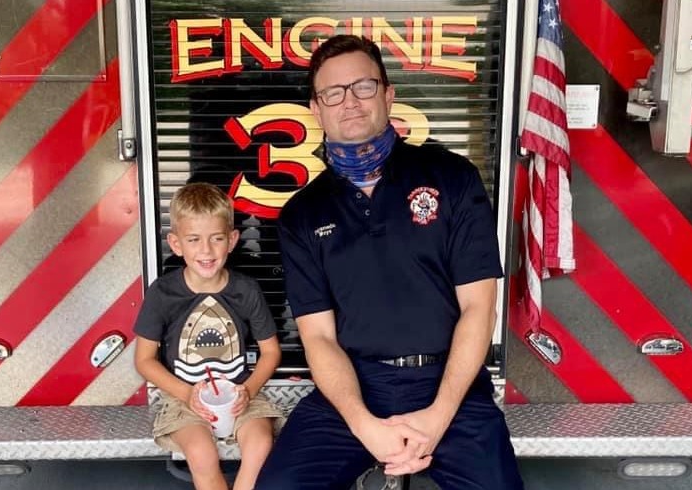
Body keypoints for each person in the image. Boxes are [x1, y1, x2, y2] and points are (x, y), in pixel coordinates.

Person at [255, 35, 523, 489]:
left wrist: (438, 417)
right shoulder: (302, 214)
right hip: (353, 389)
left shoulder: (453, 178)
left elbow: (480, 308)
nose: (350, 101)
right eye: (333, 93)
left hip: (449, 385)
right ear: (316, 109)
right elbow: (319, 337)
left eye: (363, 86)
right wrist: (365, 426)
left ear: (388, 94)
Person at [133, 182, 284, 490]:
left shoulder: (246, 290)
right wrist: (187, 393)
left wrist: (248, 390)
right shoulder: (162, 293)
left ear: (232, 240)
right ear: (176, 244)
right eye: (194, 240)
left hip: (241, 393)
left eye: (217, 238)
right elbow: (144, 360)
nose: (206, 250)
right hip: (184, 398)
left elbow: (271, 352)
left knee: (260, 444)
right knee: (201, 455)